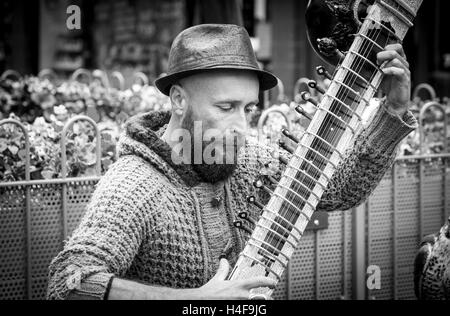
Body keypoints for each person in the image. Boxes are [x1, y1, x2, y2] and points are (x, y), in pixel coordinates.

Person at [47, 24, 417, 300]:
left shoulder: (248, 160)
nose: (242, 126)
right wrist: (195, 301)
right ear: (178, 100)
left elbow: (337, 190)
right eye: (226, 107)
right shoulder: (134, 185)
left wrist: (393, 110)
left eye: (249, 108)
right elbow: (68, 282)